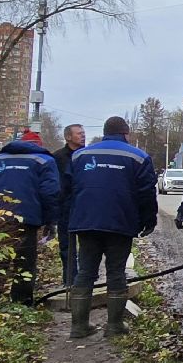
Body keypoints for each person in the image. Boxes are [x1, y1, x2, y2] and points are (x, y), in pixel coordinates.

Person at [67, 115, 157, 338]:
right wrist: (148, 221)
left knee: (85, 272)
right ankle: (114, 326)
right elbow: (146, 193)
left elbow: (68, 189)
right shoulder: (138, 157)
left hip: (86, 222)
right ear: (125, 133)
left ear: (105, 132)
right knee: (116, 272)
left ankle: (78, 326)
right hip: (120, 223)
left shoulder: (80, 155)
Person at [0, 129, 62, 306]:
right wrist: (50, 221)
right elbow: (50, 193)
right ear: (38, 146)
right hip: (26, 219)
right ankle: (21, 304)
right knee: (24, 263)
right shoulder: (45, 161)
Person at [50, 123, 87, 283]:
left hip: (85, 208)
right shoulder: (58, 157)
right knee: (67, 247)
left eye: (83, 133)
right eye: (79, 133)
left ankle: (84, 279)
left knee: (87, 246)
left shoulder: (87, 156)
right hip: (66, 208)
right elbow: (55, 185)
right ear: (68, 137)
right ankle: (69, 280)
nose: (83, 135)